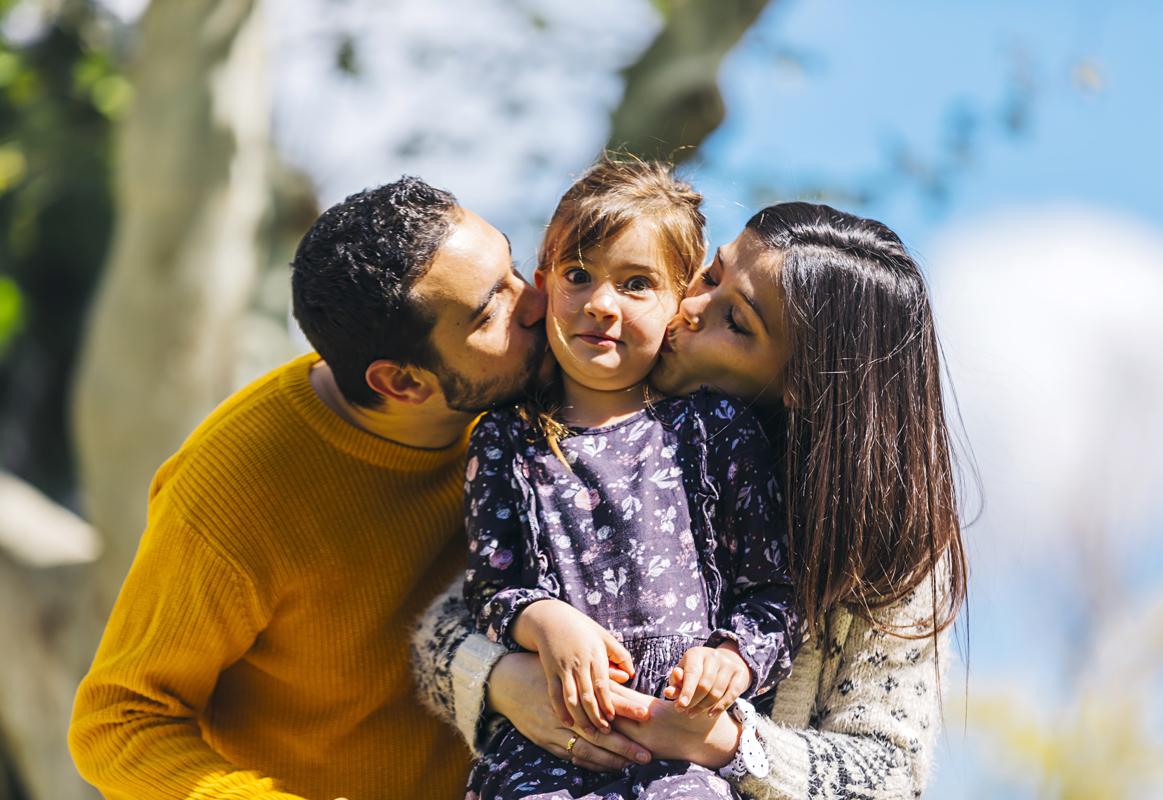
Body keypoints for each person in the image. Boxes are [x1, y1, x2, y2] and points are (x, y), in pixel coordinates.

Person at [413, 201, 969, 799]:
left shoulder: (889, 555)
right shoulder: (569, 427)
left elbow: (890, 777)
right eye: (710, 276)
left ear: (804, 383)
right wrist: (507, 681)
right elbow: (450, 623)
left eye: (737, 321)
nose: (690, 308)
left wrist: (725, 743)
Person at [68, 177, 553, 800]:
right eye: (490, 312)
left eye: (513, 268)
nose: (536, 302)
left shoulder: (534, 376)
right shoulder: (230, 494)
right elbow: (117, 722)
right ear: (403, 383)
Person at [461, 160, 800, 799]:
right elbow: (488, 587)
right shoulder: (506, 438)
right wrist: (544, 622)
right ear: (543, 284)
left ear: (678, 304)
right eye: (577, 275)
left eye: (637, 283)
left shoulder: (715, 431)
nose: (600, 303)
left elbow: (773, 593)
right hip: (549, 744)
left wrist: (731, 659)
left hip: (682, 752)